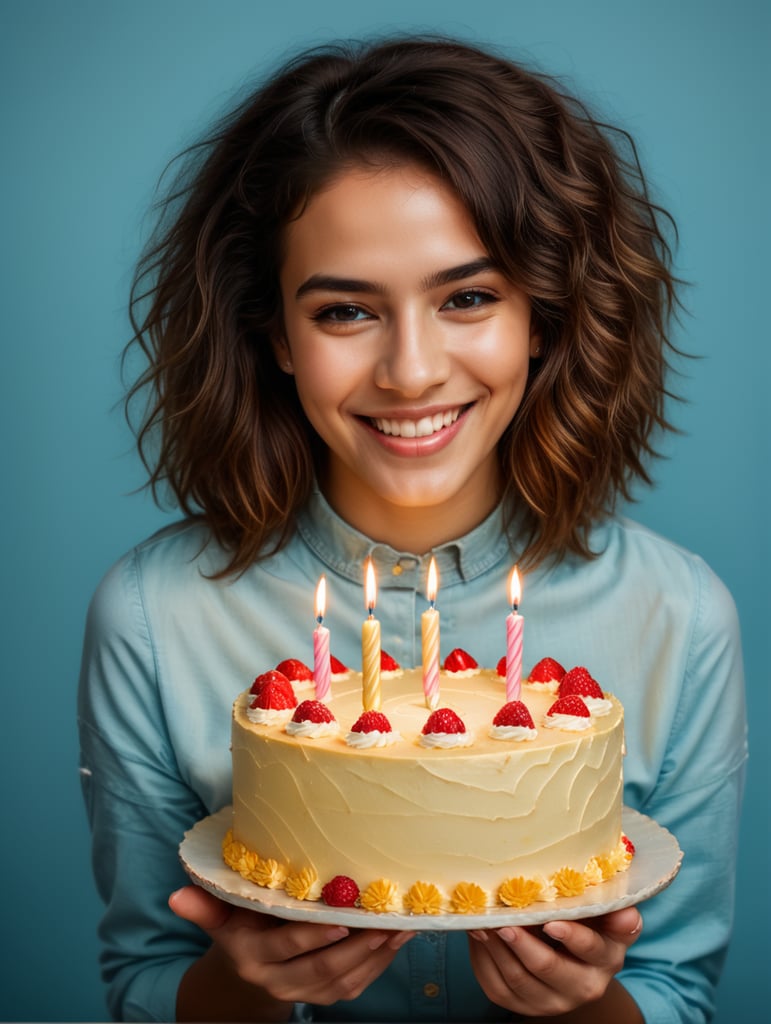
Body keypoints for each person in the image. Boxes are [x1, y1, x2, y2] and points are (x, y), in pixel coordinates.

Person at [78, 37, 747, 1023]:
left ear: (543, 315)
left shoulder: (679, 617)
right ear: (276, 336)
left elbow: (677, 991)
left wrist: (580, 1005)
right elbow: (146, 986)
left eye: (468, 297)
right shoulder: (151, 615)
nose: (411, 371)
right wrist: (247, 986)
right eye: (347, 310)